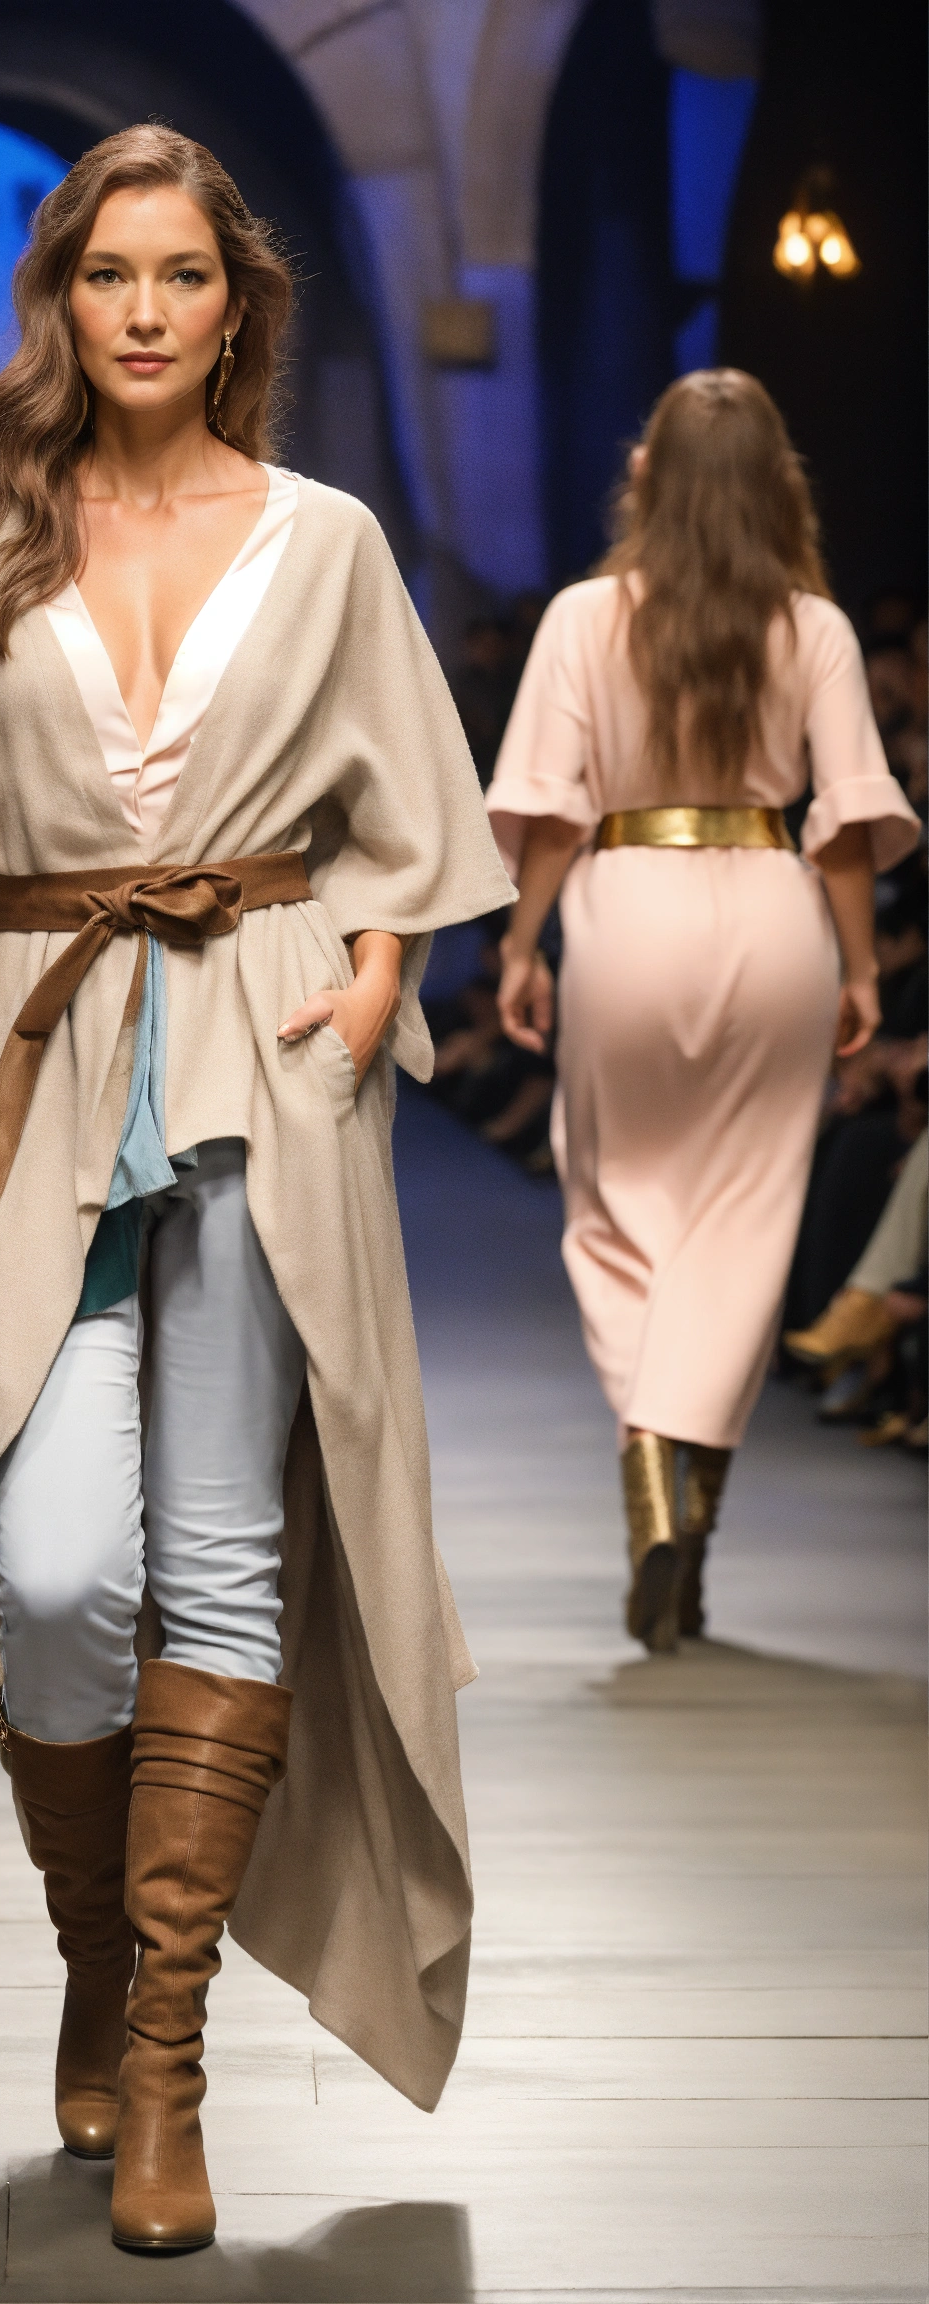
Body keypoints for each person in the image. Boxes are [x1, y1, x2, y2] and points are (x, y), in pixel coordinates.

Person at [0, 124, 510, 2254]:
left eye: (180, 274)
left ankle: (162, 2053)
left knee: (227, 1557)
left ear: (235, 302)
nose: (144, 310)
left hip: (265, 1064)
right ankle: (98, 1940)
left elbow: (400, 818)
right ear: (57, 302)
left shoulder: (325, 542)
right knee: (59, 1575)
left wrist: (371, 987)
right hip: (34, 1066)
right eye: (106, 275)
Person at [486, 370, 920, 1651]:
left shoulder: (582, 618)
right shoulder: (814, 629)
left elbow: (548, 807)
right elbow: (845, 820)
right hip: (773, 909)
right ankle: (694, 1514)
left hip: (625, 907)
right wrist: (859, 971)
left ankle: (646, 1467)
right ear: (778, 486)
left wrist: (518, 945)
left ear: (645, 476)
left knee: (615, 1200)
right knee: (745, 1219)